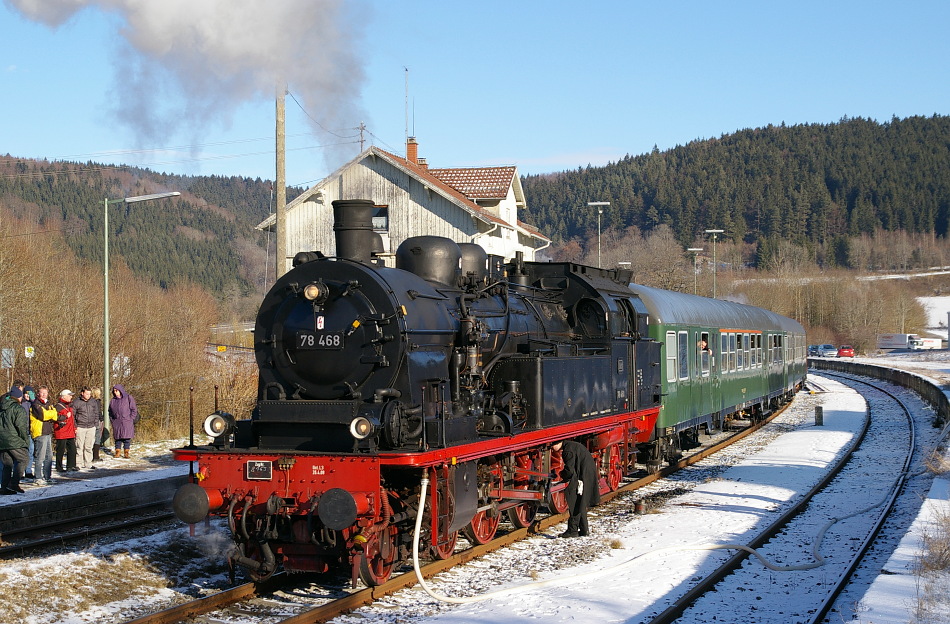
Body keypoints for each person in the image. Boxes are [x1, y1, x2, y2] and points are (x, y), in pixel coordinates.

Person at [553, 440, 601, 538]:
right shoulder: (571, 446)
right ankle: (584, 530)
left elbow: (570, 471)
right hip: (586, 471)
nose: (552, 448)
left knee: (574, 499)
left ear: (558, 443)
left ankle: (573, 530)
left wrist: (561, 475)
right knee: (581, 500)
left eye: (553, 445)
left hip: (583, 472)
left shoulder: (567, 451)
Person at [0, 387, 29, 494]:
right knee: (23, 459)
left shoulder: (2, 407)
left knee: (7, 464)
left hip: (2, 440)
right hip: (14, 440)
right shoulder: (18, 409)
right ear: (19, 397)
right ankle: (14, 483)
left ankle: (4, 487)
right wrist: (25, 441)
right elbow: (21, 427)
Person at [30, 385, 58, 485]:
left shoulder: (48, 403)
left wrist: (49, 413)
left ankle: (47, 476)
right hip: (39, 432)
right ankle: (38, 477)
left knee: (49, 456)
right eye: (42, 393)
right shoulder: (35, 404)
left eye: (45, 393)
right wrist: (49, 413)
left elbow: (55, 415)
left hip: (47, 432)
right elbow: (43, 415)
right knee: (40, 456)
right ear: (38, 393)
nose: (43, 395)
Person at [73, 387, 99, 470]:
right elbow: (73, 415)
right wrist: (75, 426)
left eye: (89, 394)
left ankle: (88, 463)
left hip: (91, 427)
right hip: (80, 426)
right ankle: (78, 463)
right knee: (79, 446)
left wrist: (95, 424)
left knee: (89, 446)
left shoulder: (93, 402)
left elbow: (96, 413)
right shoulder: (76, 402)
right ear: (82, 393)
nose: (88, 396)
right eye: (87, 394)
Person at [109, 384, 138, 459]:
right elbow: (110, 412)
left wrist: (131, 418)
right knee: (118, 438)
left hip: (127, 421)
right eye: (114, 391)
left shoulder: (128, 398)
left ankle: (126, 453)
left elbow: (134, 409)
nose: (115, 392)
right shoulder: (113, 401)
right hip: (117, 422)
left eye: (117, 390)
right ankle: (117, 452)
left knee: (126, 438)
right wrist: (113, 420)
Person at [54, 389, 78, 473]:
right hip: (61, 432)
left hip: (70, 431)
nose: (71, 397)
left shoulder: (69, 406)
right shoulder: (58, 406)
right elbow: (56, 418)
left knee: (72, 449)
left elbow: (72, 419)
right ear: (64, 396)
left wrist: (75, 428)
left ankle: (71, 466)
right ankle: (59, 467)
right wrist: (65, 416)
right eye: (69, 395)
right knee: (60, 450)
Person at [21, 385, 35, 478]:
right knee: (22, 452)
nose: (28, 395)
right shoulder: (20, 403)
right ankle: (20, 471)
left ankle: (28, 470)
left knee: (31, 450)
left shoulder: (32, 403)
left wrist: (33, 400)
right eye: (26, 393)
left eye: (29, 393)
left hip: (30, 431)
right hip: (22, 430)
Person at [90, 387, 105, 461]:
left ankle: (90, 456)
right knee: (97, 438)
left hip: (90, 421)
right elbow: (98, 412)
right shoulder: (97, 402)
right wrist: (102, 419)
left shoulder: (89, 401)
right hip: (97, 421)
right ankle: (95, 456)